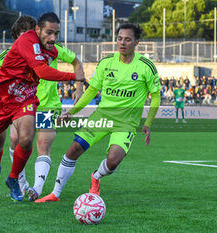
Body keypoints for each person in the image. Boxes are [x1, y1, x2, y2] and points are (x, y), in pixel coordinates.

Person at [0, 12, 84, 202]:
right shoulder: (11, 52)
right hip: (1, 100)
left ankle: (31, 186)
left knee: (32, 141)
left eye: (55, 33)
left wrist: (78, 85)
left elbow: (76, 61)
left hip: (35, 101)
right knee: (0, 145)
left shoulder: (50, 47)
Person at [35, 23, 161, 203]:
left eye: (127, 39)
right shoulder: (106, 63)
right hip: (102, 117)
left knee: (113, 161)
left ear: (136, 42)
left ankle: (96, 177)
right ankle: (55, 193)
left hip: (126, 123)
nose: (122, 43)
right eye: (119, 39)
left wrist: (148, 123)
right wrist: (72, 112)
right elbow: (91, 91)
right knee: (74, 149)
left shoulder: (145, 66)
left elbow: (156, 96)